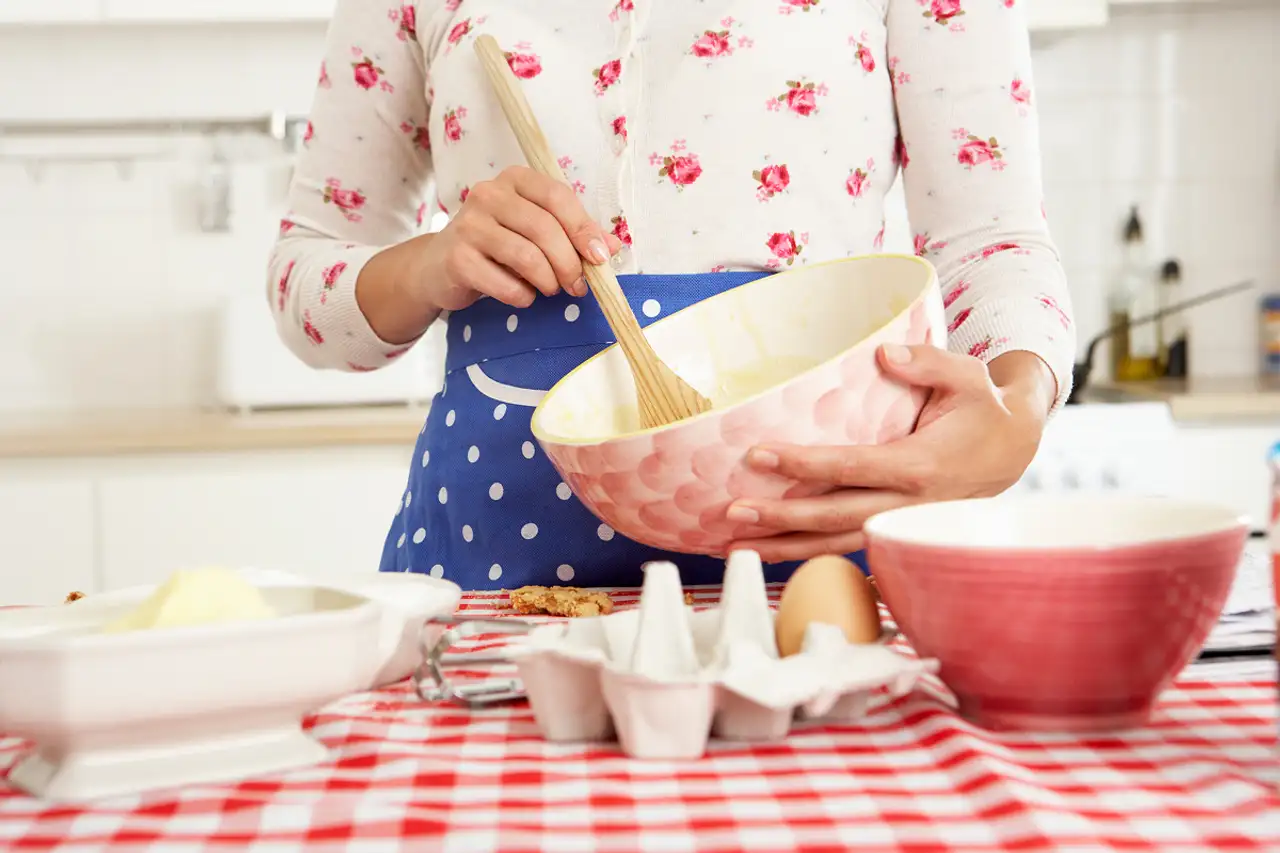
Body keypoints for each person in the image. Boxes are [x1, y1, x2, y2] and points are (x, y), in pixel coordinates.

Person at [268, 0, 1075, 589]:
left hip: (813, 567)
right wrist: (430, 263)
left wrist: (1017, 411)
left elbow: (992, 241)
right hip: (488, 586)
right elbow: (307, 276)